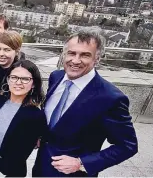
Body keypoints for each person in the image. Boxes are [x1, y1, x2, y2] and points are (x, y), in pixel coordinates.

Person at [32, 31, 138, 177]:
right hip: (41, 168)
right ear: (64, 55)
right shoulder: (55, 77)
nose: (75, 60)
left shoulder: (111, 98)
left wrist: (81, 163)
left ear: (97, 59)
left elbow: (128, 146)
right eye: (71, 53)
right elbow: (54, 123)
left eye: (85, 55)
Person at [0, 60, 47, 177]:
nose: (18, 82)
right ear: (8, 79)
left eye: (25, 79)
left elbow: (20, 154)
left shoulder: (35, 115)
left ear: (34, 83)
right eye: (14, 77)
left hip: (4, 172)